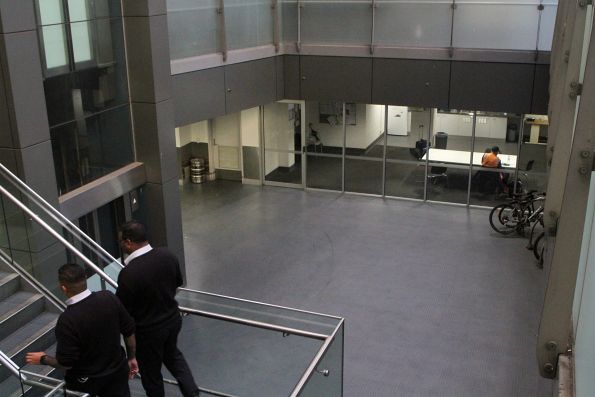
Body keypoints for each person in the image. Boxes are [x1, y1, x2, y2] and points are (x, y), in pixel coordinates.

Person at [26, 263, 137, 397]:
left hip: (88, 382)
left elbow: (66, 363)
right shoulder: (108, 297)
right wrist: (131, 357)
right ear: (85, 278)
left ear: (63, 287)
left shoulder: (67, 320)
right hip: (117, 371)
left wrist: (43, 359)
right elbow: (129, 331)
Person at [116, 221, 200, 397]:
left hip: (148, 332)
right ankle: (192, 393)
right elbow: (177, 283)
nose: (121, 245)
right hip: (172, 320)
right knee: (173, 356)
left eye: (122, 242)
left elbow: (123, 310)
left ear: (129, 242)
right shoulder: (167, 255)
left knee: (151, 373)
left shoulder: (129, 273)